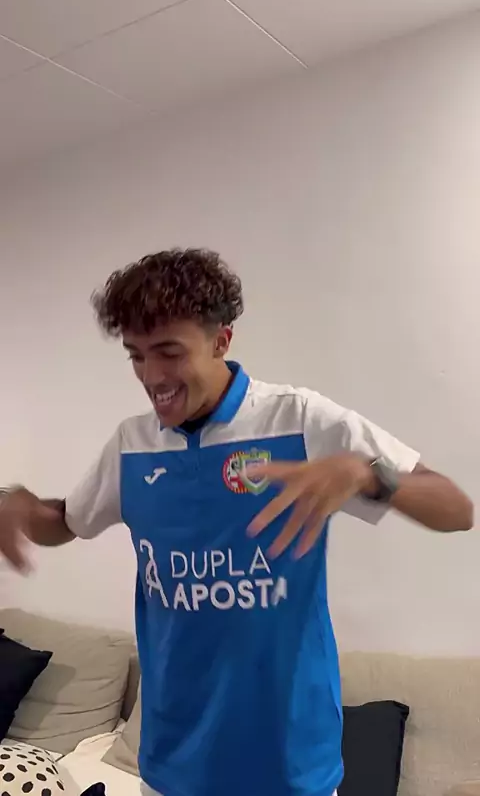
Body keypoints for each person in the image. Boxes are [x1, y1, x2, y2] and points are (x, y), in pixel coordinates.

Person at [0, 248, 473, 796]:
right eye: (136, 356)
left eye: (169, 352)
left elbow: (456, 509)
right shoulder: (131, 444)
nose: (151, 376)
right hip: (172, 762)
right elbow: (66, 522)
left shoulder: (298, 419)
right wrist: (18, 503)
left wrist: (367, 475)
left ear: (221, 341)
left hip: (288, 763)